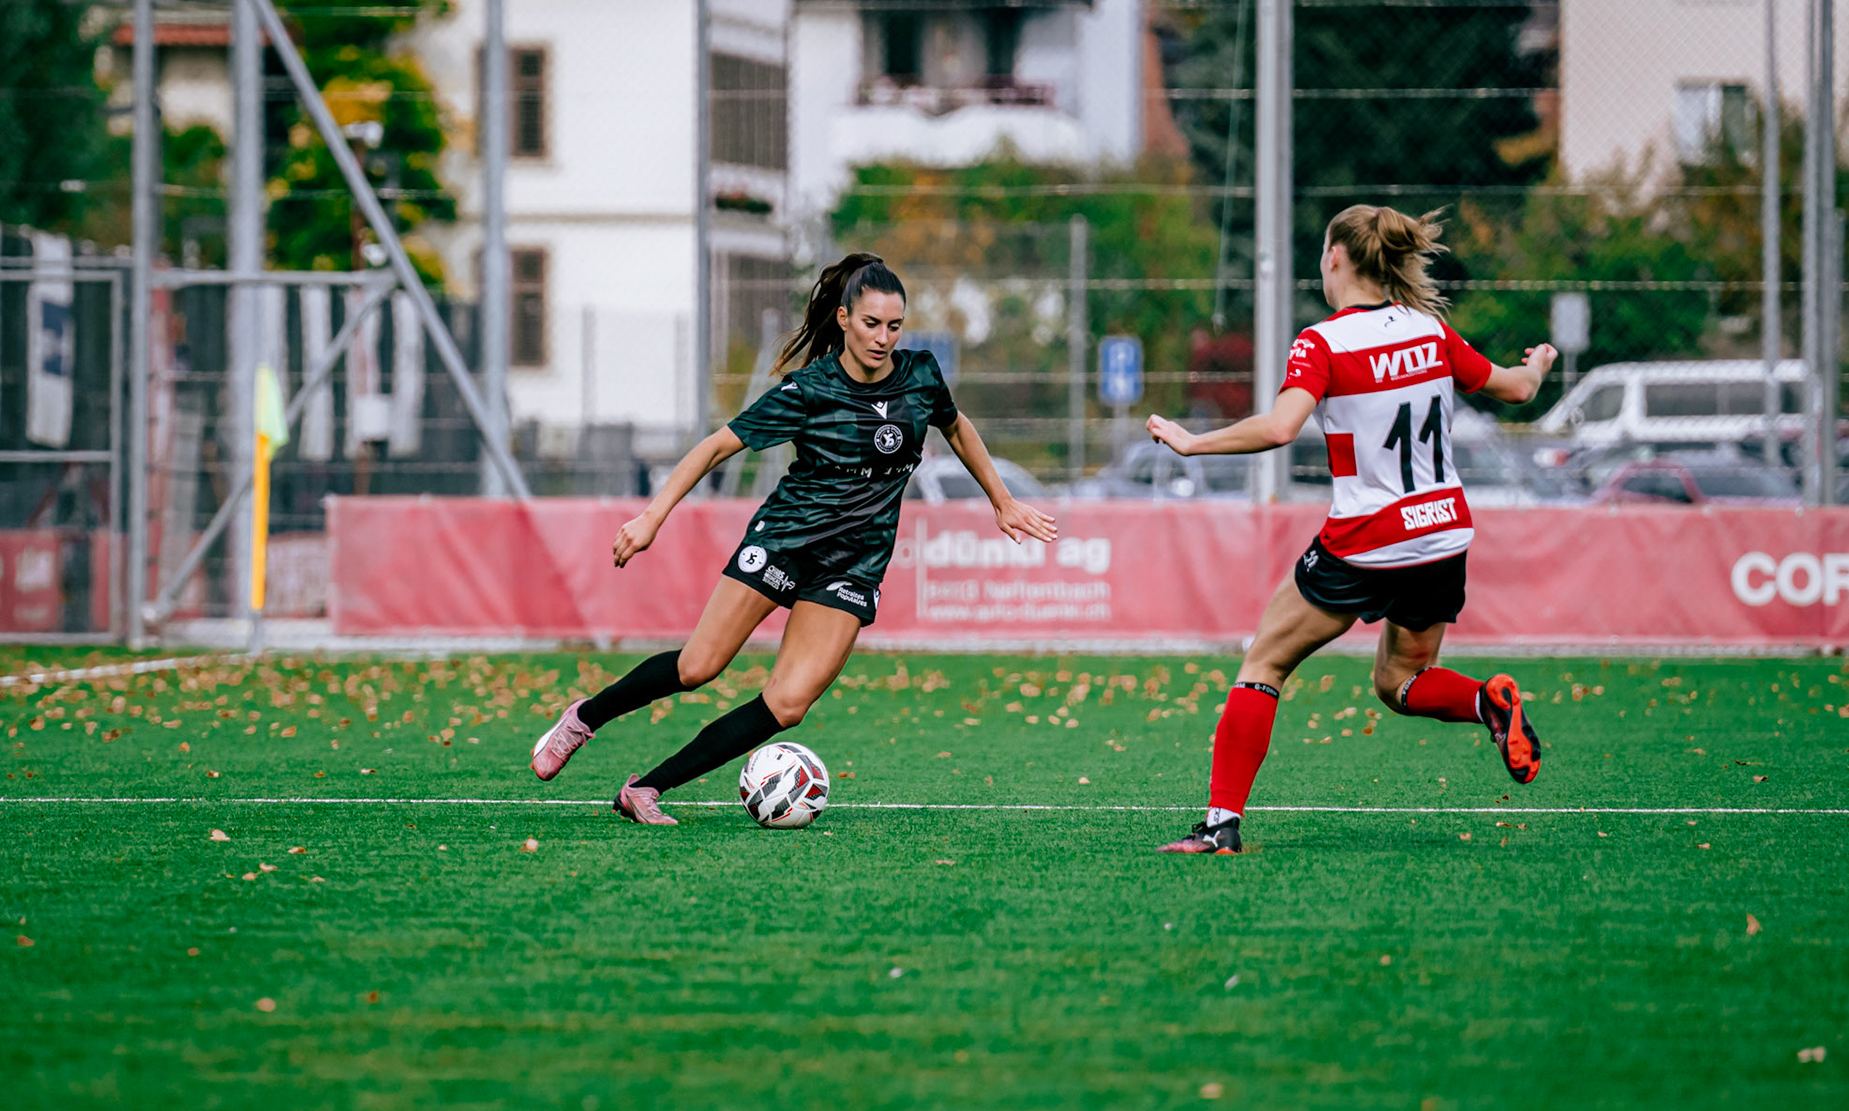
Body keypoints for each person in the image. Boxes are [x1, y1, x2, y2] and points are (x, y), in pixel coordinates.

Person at [528, 253, 1057, 824]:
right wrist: (652, 517)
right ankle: (584, 718)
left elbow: (955, 425)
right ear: (844, 319)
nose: (883, 338)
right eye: (871, 323)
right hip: (786, 540)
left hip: (854, 565)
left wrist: (1001, 500)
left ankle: (646, 790)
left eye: (894, 326)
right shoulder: (808, 390)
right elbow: (716, 446)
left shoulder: (921, 375)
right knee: (698, 667)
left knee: (787, 703)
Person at [1146, 206, 1558, 855]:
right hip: (1443, 534)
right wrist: (1537, 365)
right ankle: (1490, 703)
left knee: (1264, 662)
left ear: (1335, 256)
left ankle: (1221, 825)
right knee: (1400, 681)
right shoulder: (1429, 330)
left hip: (1368, 539)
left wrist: (1194, 443)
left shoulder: (1323, 342)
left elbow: (1280, 427)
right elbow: (1517, 389)